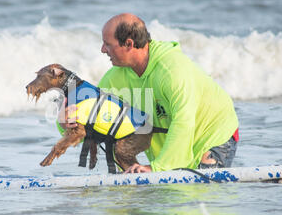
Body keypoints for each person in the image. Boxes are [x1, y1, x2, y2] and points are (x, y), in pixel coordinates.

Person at [59, 13, 239, 173]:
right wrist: (66, 122)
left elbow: (184, 122)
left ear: (128, 44)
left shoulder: (172, 71)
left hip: (213, 134)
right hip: (174, 143)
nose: (102, 50)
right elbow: (95, 123)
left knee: (199, 197)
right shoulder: (114, 78)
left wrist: (157, 168)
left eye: (108, 44)